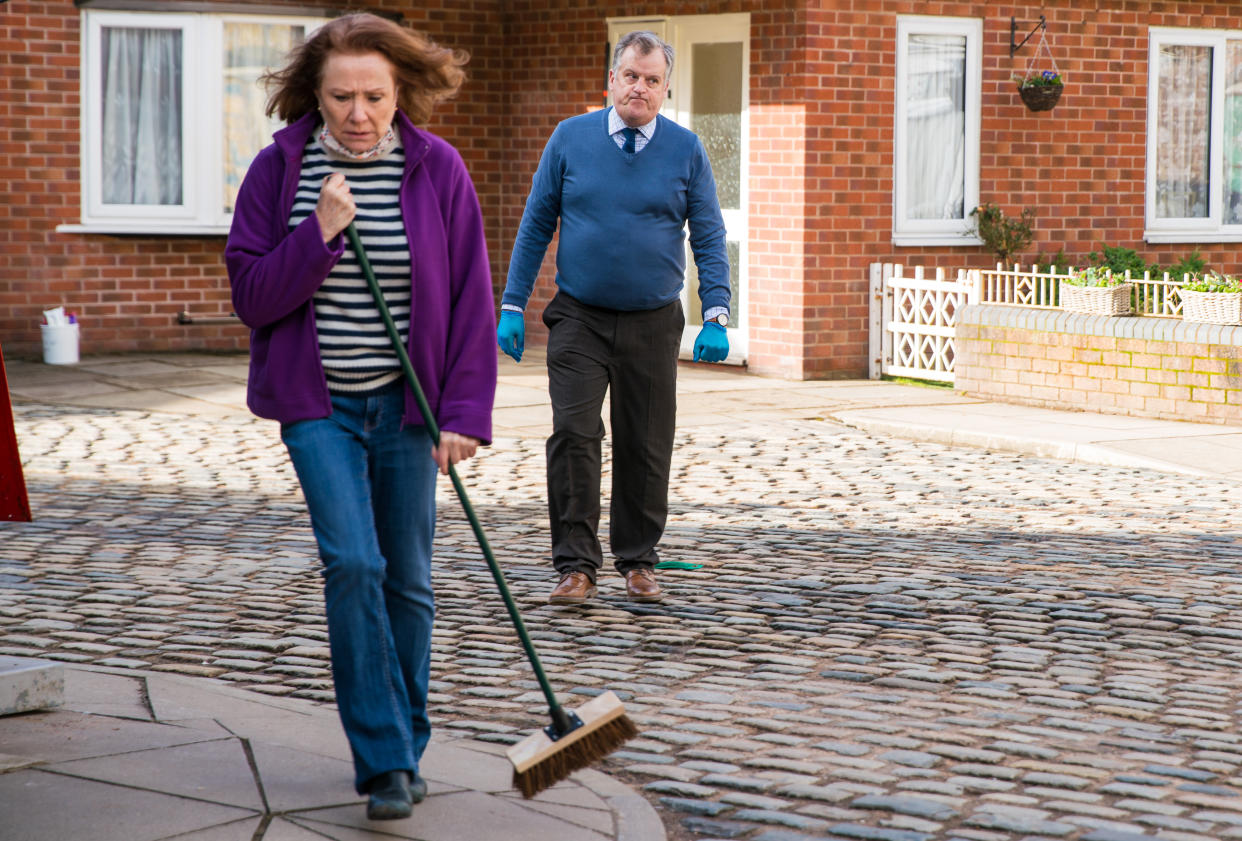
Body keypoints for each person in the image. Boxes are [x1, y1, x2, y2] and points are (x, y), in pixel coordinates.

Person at [225, 14, 496, 821]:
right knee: (354, 563)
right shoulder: (280, 172)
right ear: (315, 93)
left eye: (374, 96)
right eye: (341, 95)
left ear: (398, 92)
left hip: (408, 409)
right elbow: (252, 296)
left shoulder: (438, 171)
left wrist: (464, 411)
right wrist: (319, 233)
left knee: (410, 581)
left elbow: (471, 301)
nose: (358, 113)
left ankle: (406, 738)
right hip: (320, 407)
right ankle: (383, 761)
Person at [497, 30, 731, 606]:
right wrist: (511, 303)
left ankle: (638, 561)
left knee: (645, 444)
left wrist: (718, 311)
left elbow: (708, 233)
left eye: (653, 80)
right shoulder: (570, 139)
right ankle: (575, 565)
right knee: (574, 434)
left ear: (665, 89)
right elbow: (535, 224)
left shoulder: (685, 149)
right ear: (611, 80)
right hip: (579, 316)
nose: (640, 88)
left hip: (653, 320)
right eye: (631, 76)